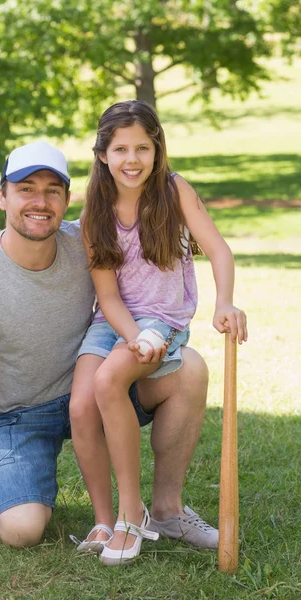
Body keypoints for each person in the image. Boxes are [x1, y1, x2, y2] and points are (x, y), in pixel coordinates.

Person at [0, 139, 211, 551]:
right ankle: (39, 487)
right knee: (22, 530)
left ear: (66, 200)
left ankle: (168, 510)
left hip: (94, 392)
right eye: (25, 189)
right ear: (1, 196)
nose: (39, 201)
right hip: (18, 415)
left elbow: (152, 255)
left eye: (52, 191)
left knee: (189, 367)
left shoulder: (90, 242)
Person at [69, 100, 247, 566]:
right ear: (103, 154)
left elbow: (219, 250)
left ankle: (135, 516)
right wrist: (130, 338)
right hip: (114, 322)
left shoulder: (174, 191)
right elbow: (107, 298)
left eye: (143, 148)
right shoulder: (95, 212)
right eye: (121, 148)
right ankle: (106, 519)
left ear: (157, 148)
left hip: (161, 320)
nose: (133, 159)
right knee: (81, 403)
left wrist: (223, 301)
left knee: (109, 381)